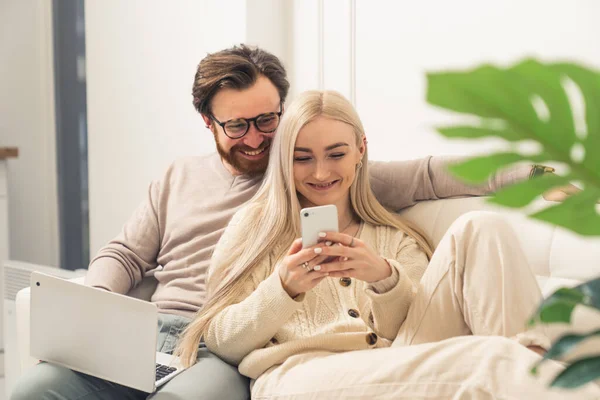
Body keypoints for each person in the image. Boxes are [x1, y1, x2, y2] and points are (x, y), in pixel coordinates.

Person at [12, 45, 538, 400]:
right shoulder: (197, 187)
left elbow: (430, 175)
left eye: (268, 121)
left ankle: (532, 363)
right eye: (238, 125)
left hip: (240, 351)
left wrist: (532, 170)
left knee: (482, 235)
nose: (257, 139)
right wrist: (97, 307)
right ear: (209, 123)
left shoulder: (340, 179)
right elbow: (126, 255)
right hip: (175, 328)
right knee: (33, 390)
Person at [175, 90, 600, 399]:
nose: (320, 172)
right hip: (302, 379)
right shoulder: (255, 229)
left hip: (392, 364)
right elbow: (222, 340)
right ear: (284, 159)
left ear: (361, 151)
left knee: (481, 226)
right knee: (490, 359)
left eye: (336, 154)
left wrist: (384, 279)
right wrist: (282, 288)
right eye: (302, 157)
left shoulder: (392, 237)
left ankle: (533, 367)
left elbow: (409, 338)